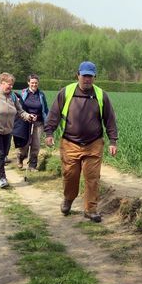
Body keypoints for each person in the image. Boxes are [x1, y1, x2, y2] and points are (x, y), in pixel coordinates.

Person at [44, 61, 118, 222]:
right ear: (78, 75)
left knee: (92, 178)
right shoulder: (66, 92)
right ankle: (68, 199)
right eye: (84, 76)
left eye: (90, 76)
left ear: (95, 78)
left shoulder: (101, 95)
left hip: (93, 144)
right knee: (71, 175)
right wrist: (49, 132)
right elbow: (54, 114)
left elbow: (110, 119)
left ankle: (91, 210)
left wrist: (113, 141)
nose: (87, 79)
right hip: (70, 143)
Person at [0, 72, 35, 188]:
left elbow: (20, 111)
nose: (10, 87)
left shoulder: (13, 96)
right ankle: (1, 178)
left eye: (12, 85)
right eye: (8, 84)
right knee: (0, 152)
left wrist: (28, 116)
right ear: (1, 83)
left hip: (8, 130)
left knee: (3, 153)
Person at [16, 74, 49, 171]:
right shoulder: (23, 93)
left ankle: (32, 166)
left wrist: (46, 122)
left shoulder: (41, 95)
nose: (34, 84)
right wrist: (27, 115)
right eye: (32, 82)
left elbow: (45, 109)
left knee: (36, 144)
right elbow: (19, 107)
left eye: (36, 83)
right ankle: (20, 157)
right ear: (28, 83)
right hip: (25, 122)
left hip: (38, 122)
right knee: (25, 144)